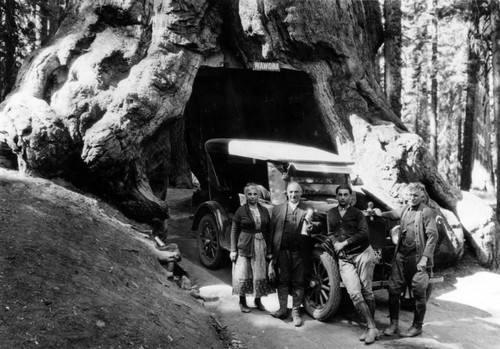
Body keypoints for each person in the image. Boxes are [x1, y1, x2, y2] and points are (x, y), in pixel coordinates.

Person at [373, 182, 438, 337]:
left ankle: (417, 326)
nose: (412, 198)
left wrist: (424, 259)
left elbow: (433, 237)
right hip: (401, 256)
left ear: (422, 195)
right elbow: (394, 213)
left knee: (419, 293)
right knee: (394, 290)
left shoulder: (427, 212)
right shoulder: (406, 209)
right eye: (409, 195)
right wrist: (380, 214)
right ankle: (393, 324)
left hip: (417, 259)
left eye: (415, 195)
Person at [326, 184, 379, 344]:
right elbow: (330, 233)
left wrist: (344, 243)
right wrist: (336, 243)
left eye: (345, 195)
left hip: (362, 253)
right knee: (354, 293)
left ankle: (370, 327)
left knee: (367, 291)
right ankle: (372, 327)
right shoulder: (331, 213)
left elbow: (364, 233)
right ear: (337, 197)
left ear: (350, 197)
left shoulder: (357, 213)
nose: (342, 197)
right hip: (345, 258)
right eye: (340, 195)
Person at [269, 181, 312, 327]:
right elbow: (271, 231)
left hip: (299, 253)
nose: (293, 194)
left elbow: (316, 226)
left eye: (296, 192)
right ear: (286, 193)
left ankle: (295, 313)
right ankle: (282, 309)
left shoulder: (307, 209)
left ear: (301, 193)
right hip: (282, 251)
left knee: (298, 282)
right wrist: (270, 254)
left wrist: (313, 225)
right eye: (291, 192)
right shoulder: (277, 209)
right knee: (282, 280)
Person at [230, 183, 273, 313]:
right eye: (250, 194)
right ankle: (242, 302)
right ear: (246, 195)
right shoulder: (241, 210)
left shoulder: (264, 210)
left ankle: (258, 300)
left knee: (259, 272)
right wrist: (233, 250)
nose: (252, 197)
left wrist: (269, 250)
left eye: (255, 194)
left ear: (259, 196)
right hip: (245, 244)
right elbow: (234, 230)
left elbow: (269, 230)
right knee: (243, 272)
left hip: (260, 244)